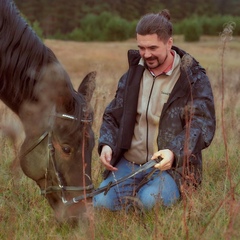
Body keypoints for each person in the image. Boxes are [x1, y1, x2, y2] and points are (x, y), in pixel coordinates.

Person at [93, 9, 216, 211]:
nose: (146, 54)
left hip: (171, 168)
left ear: (169, 43)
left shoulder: (192, 77)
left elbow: (202, 124)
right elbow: (112, 115)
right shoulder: (132, 75)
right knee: (102, 204)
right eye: (141, 47)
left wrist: (174, 152)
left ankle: (152, 193)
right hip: (129, 162)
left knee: (149, 203)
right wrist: (106, 144)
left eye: (152, 47)